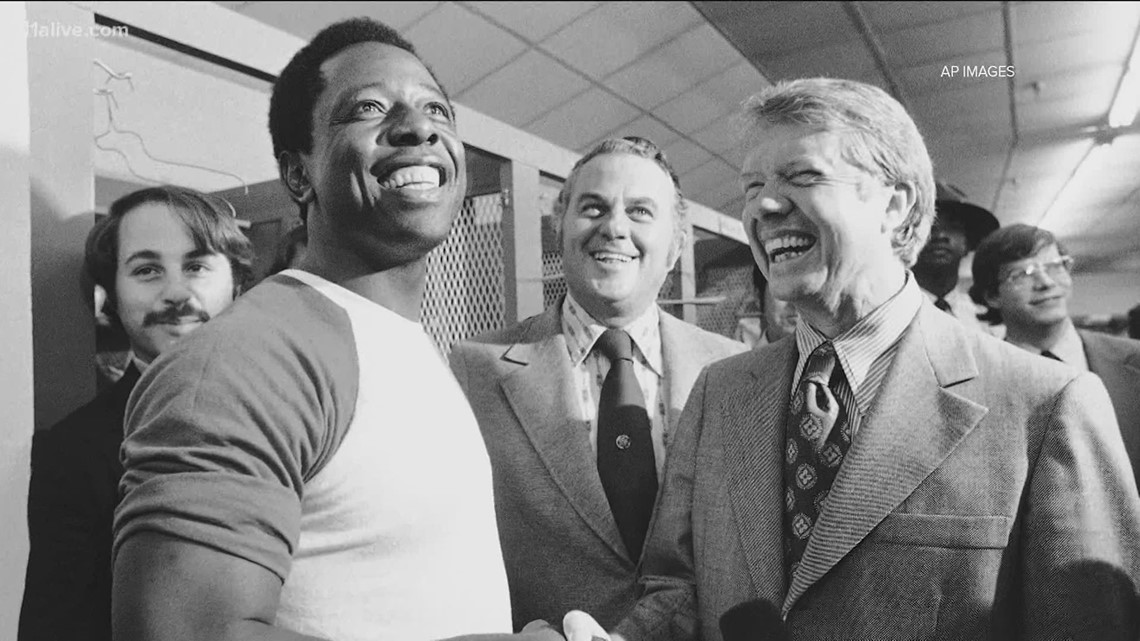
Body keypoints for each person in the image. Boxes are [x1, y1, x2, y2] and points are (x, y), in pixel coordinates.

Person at [574, 78, 1140, 641]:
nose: (765, 206)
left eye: (803, 176)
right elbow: (680, 590)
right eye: (752, 186)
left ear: (896, 204)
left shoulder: (1045, 406)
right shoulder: (719, 392)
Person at [112, 18, 558, 641]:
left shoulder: (416, 348)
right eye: (369, 107)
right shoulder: (249, 359)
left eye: (436, 110)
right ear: (299, 175)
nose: (419, 126)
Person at [450, 136, 747, 632]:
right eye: (594, 207)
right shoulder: (475, 370)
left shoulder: (735, 372)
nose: (614, 227)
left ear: (675, 247)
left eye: (640, 212)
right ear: (558, 225)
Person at [19, 185, 254, 641]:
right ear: (109, 297)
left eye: (197, 265)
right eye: (147, 270)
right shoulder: (72, 451)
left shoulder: (294, 408)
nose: (176, 292)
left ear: (237, 283)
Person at [971, 223, 1140, 485]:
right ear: (992, 295)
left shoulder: (1135, 361)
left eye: (1054, 266)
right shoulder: (978, 384)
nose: (1045, 283)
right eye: (1022, 274)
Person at [913, 198, 1000, 335]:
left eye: (953, 227)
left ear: (968, 244)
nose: (940, 235)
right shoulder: (889, 315)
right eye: (929, 226)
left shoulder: (984, 321)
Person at [735, 263, 798, 348]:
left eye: (806, 290)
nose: (795, 303)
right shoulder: (751, 360)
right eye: (782, 289)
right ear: (758, 297)